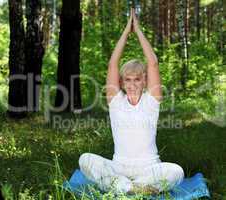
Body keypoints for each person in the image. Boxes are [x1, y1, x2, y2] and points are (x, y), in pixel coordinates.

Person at [78, 9, 184, 195]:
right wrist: (126, 32)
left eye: (137, 79)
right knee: (85, 159)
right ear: (121, 82)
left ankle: (125, 188)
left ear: (144, 81)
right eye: (128, 79)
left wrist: (139, 31)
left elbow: (153, 63)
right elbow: (112, 64)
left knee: (177, 171)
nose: (133, 83)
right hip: (119, 167)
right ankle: (133, 188)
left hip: (149, 168)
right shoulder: (116, 101)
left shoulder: (151, 101)